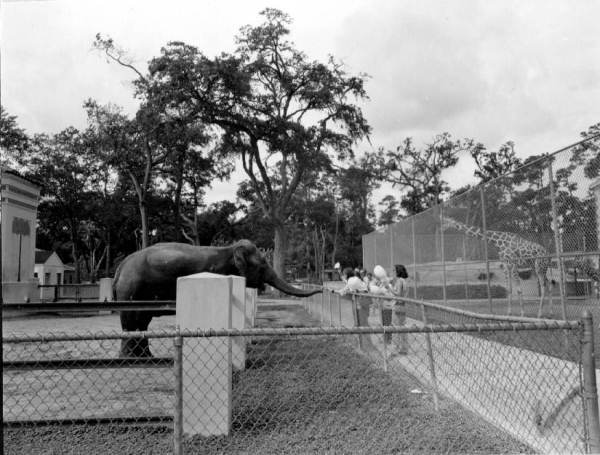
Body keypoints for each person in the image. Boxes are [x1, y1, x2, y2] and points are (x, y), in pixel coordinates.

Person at [390, 264, 409, 354]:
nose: (393, 272)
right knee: (402, 327)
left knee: (395, 327)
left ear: (398, 271)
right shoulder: (404, 280)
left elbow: (398, 293)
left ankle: (395, 349)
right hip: (403, 306)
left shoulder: (399, 281)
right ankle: (404, 348)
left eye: (394, 270)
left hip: (397, 305)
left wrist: (389, 288)